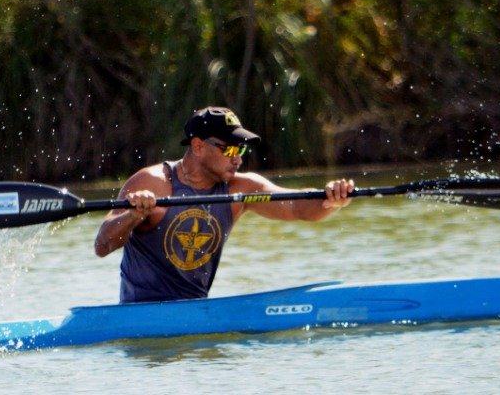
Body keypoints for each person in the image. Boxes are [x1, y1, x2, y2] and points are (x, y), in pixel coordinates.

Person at [94, 106, 355, 304]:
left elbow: (298, 207)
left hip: (195, 312)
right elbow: (102, 245)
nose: (238, 159)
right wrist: (131, 215)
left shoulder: (241, 189)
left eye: (241, 151)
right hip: (139, 314)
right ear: (198, 146)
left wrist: (330, 199)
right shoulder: (154, 182)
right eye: (230, 150)